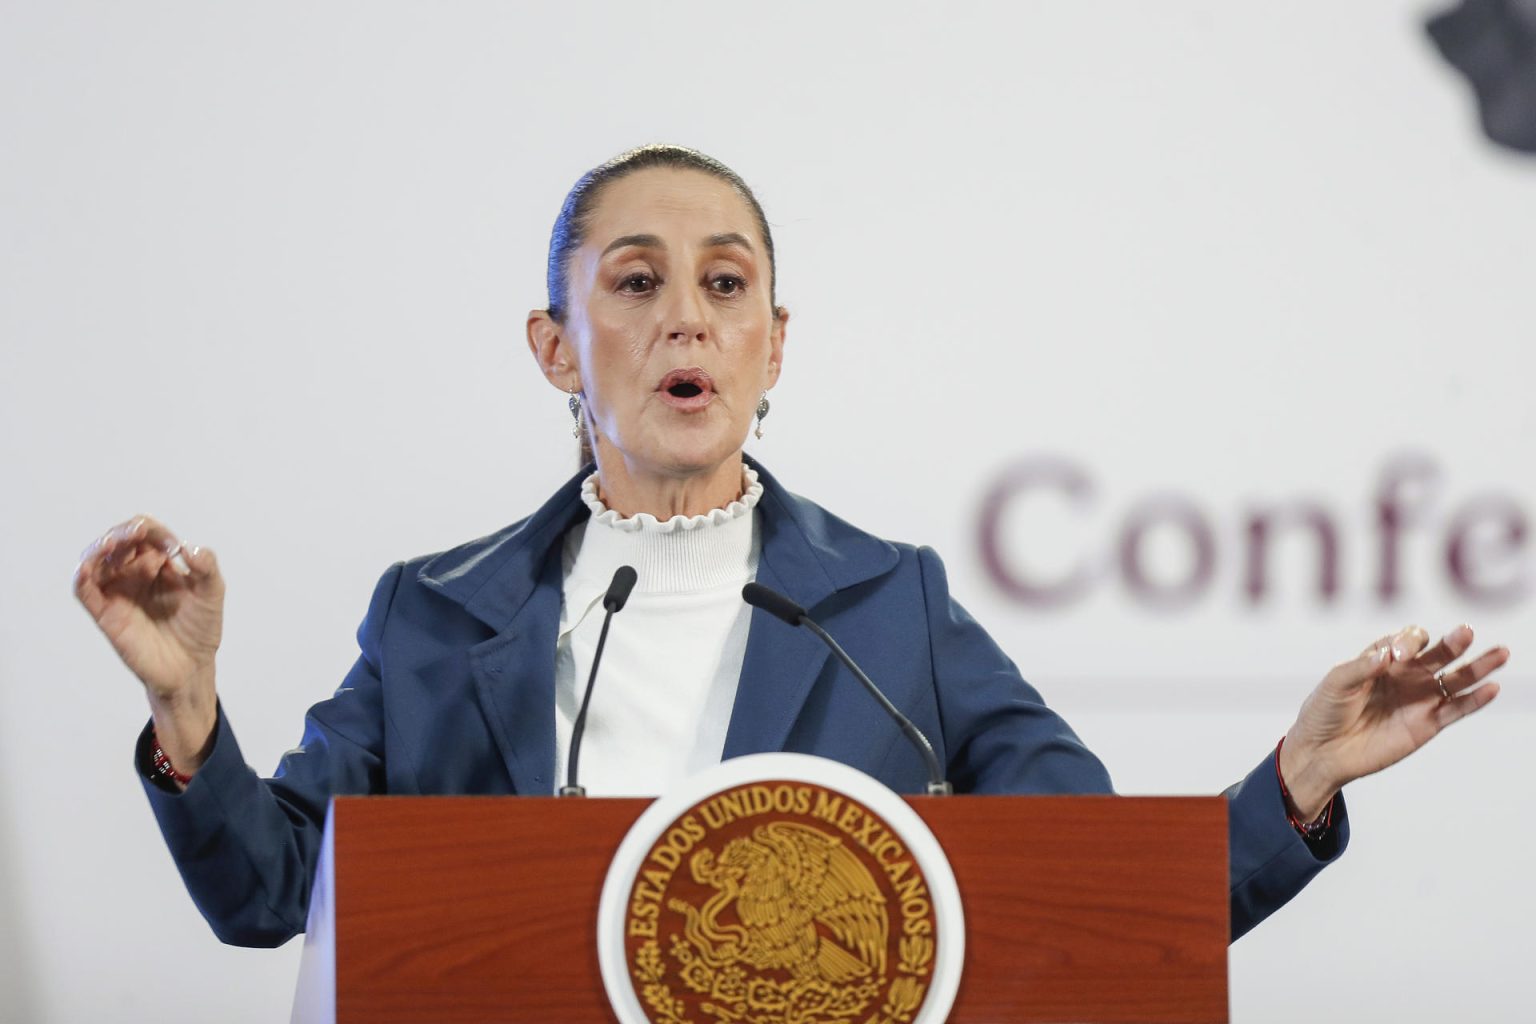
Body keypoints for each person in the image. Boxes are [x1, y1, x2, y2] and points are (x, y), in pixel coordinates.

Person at [74, 145, 1509, 950]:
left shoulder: (890, 611)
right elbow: (268, 894)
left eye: (726, 283)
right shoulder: (439, 617)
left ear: (773, 345)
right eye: (635, 284)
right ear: (558, 349)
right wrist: (187, 710)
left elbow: (1101, 900)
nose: (685, 317)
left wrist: (1300, 780)